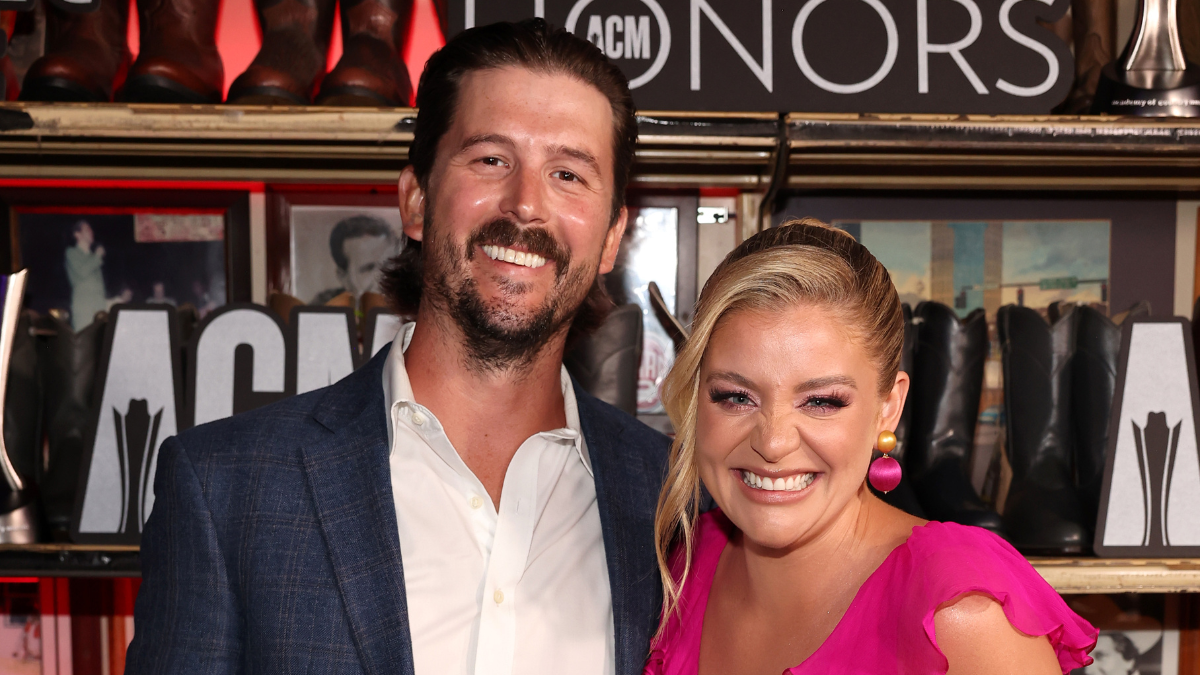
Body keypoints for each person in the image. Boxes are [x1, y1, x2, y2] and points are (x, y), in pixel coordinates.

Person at [127, 19, 669, 675]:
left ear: (611, 238)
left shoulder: (676, 502)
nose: (526, 204)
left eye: (568, 174)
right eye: (491, 159)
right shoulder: (225, 487)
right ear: (415, 200)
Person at [644, 219, 1097, 675]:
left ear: (889, 407)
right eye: (736, 397)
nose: (773, 442)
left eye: (821, 401)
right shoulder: (679, 569)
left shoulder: (962, 615)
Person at [311, 214, 400, 305]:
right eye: (368, 268)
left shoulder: (407, 301)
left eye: (389, 264)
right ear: (343, 278)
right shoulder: (320, 310)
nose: (382, 277)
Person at [64, 220, 106, 331]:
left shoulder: (93, 257)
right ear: (77, 234)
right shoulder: (72, 252)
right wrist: (97, 256)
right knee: (84, 339)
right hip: (84, 308)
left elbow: (99, 286)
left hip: (99, 308)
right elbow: (82, 271)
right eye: (87, 229)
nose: (91, 232)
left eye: (91, 229)